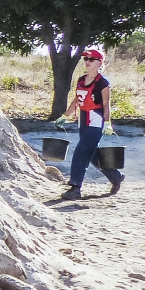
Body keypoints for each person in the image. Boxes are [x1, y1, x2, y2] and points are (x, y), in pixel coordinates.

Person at [59, 49, 124, 200]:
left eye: (91, 59)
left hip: (96, 120)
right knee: (93, 154)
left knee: (81, 151)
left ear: (100, 62)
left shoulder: (103, 82)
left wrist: (107, 123)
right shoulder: (81, 79)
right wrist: (65, 115)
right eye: (86, 59)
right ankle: (115, 176)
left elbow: (106, 104)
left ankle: (75, 187)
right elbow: (77, 100)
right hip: (83, 119)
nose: (87, 62)